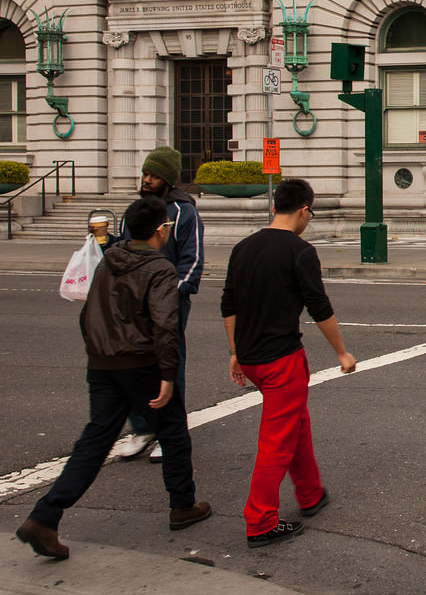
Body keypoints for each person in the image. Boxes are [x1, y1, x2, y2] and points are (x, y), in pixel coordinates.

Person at [16, 195, 212, 560]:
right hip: (143, 363)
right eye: (166, 227)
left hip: (104, 363)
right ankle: (182, 505)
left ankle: (46, 514)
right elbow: (165, 326)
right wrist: (168, 373)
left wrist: (98, 352)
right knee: (172, 430)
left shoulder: (107, 264)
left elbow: (88, 314)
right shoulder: (160, 268)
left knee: (94, 440)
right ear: (159, 231)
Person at [220, 179, 355, 550]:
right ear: (304, 210)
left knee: (297, 423)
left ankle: (310, 493)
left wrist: (235, 350)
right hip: (281, 359)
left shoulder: (243, 247)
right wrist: (341, 352)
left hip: (250, 357)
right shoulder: (300, 251)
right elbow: (319, 306)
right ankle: (260, 521)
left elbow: (228, 304)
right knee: (276, 442)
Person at [115, 145, 204, 464]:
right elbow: (125, 250)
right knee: (134, 365)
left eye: (153, 175)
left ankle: (170, 430)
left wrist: (172, 294)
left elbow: (192, 261)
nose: (146, 179)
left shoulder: (183, 212)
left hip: (168, 303)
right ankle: (141, 428)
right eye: (145, 174)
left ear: (167, 179)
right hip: (133, 302)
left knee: (169, 363)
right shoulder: (135, 210)